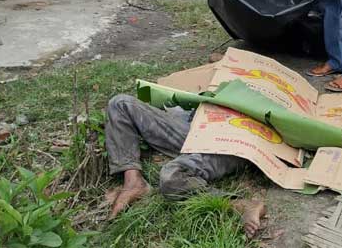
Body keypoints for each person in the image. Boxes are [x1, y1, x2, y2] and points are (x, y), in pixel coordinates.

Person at [103, 94, 266, 236]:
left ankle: (240, 205)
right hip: (199, 122)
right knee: (119, 103)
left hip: (234, 140)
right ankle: (133, 182)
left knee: (171, 178)